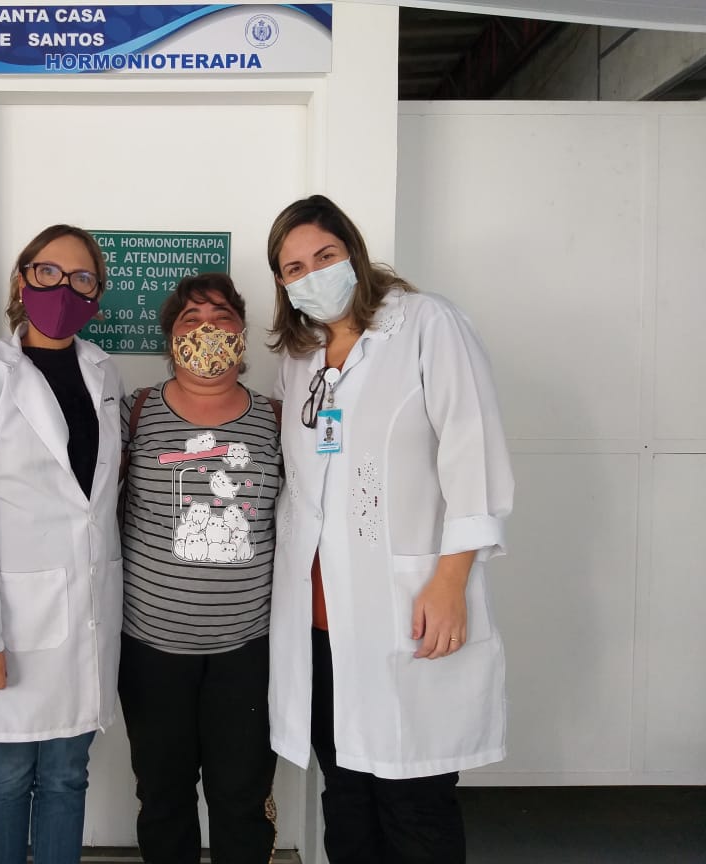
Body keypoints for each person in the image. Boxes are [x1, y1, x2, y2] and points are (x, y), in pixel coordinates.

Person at [265, 194, 514, 863]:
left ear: (354, 252)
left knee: (413, 797)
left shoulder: (428, 325)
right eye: (294, 268)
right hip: (318, 620)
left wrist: (450, 583)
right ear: (283, 284)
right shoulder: (300, 357)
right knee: (345, 793)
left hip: (407, 605)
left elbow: (473, 456)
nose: (312, 275)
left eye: (325, 256)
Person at [0, 224, 123, 864]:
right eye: (48, 272)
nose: (63, 288)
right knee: (7, 775)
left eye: (81, 278)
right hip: (10, 623)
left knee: (68, 774)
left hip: (87, 616)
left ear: (95, 294)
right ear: (22, 280)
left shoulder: (104, 372)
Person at [118, 272, 282, 864]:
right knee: (163, 796)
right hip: (150, 649)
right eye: (191, 319)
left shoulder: (276, 418)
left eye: (221, 316)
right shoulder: (135, 413)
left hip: (248, 650)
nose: (207, 328)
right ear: (171, 337)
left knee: (242, 797)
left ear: (242, 331)